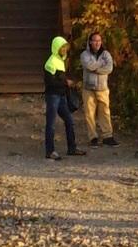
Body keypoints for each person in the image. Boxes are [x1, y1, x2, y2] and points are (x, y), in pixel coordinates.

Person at [43, 26, 79, 160]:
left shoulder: (61, 61)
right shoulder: (51, 63)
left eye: (65, 47)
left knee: (69, 120)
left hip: (62, 96)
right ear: (56, 47)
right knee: (51, 123)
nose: (64, 49)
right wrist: (65, 83)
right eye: (62, 47)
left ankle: (72, 147)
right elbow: (50, 82)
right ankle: (50, 151)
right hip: (53, 96)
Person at [78, 27, 116, 145]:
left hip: (102, 88)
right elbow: (89, 66)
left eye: (99, 40)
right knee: (89, 113)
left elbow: (109, 68)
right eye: (95, 40)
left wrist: (96, 68)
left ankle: (107, 136)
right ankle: (93, 137)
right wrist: (100, 64)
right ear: (90, 42)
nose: (97, 43)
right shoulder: (85, 54)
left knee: (105, 112)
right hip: (88, 88)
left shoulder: (106, 54)